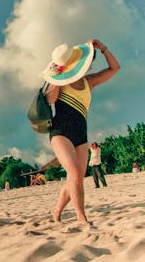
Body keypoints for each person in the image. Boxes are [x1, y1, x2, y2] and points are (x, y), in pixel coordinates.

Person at [43, 39, 120, 225]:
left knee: (75, 177)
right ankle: (81, 217)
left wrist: (104, 48)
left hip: (80, 133)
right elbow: (49, 99)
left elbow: (114, 68)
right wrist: (58, 78)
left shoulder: (89, 82)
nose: (88, 67)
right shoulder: (60, 84)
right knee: (75, 174)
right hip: (60, 132)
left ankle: (57, 211)